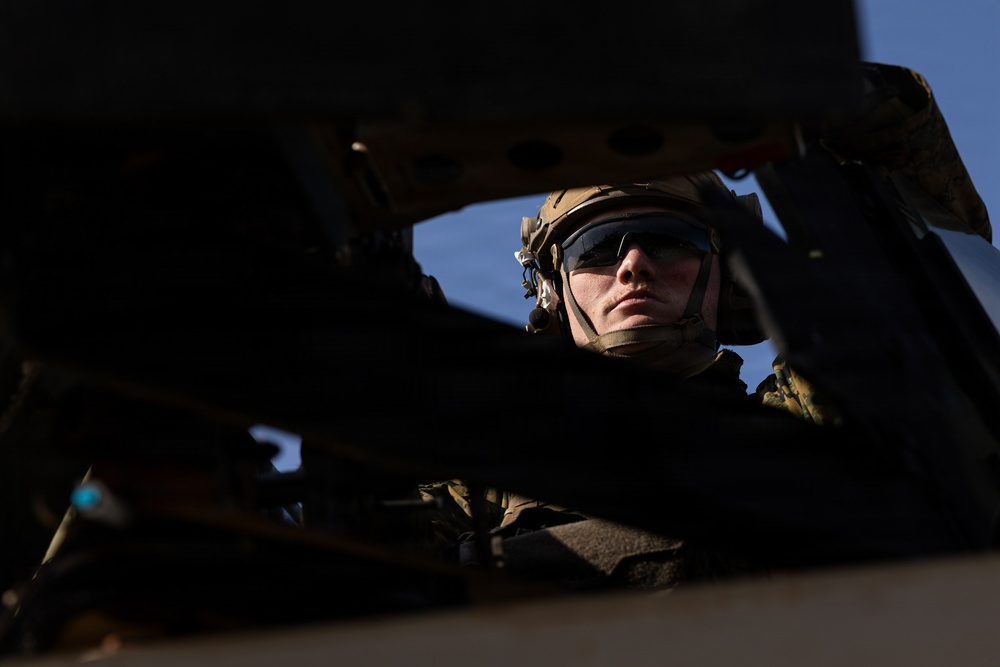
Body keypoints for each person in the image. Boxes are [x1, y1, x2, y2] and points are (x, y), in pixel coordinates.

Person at [418, 60, 992, 591]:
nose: (633, 266)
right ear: (552, 289)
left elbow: (920, 292)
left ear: (730, 273)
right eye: (595, 249)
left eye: (669, 242)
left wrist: (799, 87)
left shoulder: (807, 422)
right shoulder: (484, 480)